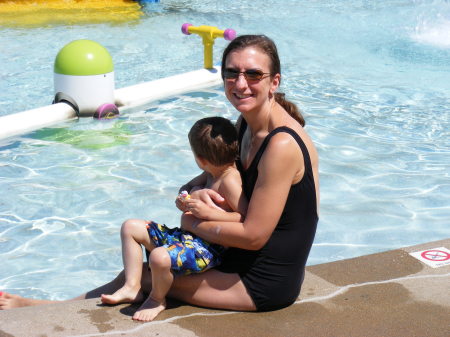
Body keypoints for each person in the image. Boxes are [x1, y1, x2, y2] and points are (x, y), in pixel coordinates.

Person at [0, 34, 319, 316]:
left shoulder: (281, 145)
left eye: (253, 74)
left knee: (145, 275)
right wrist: (192, 190)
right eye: (231, 73)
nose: (240, 83)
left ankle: (46, 310)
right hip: (234, 258)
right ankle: (54, 307)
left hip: (263, 281)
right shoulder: (246, 123)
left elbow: (254, 236)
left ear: (274, 81)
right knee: (141, 259)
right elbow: (220, 173)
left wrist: (198, 221)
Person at [100, 116, 248, 321]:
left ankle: (157, 299)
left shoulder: (230, 180)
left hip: (206, 249)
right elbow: (185, 188)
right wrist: (184, 198)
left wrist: (209, 214)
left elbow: (244, 217)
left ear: (201, 159)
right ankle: (132, 287)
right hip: (188, 237)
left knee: (159, 257)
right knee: (130, 227)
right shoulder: (212, 172)